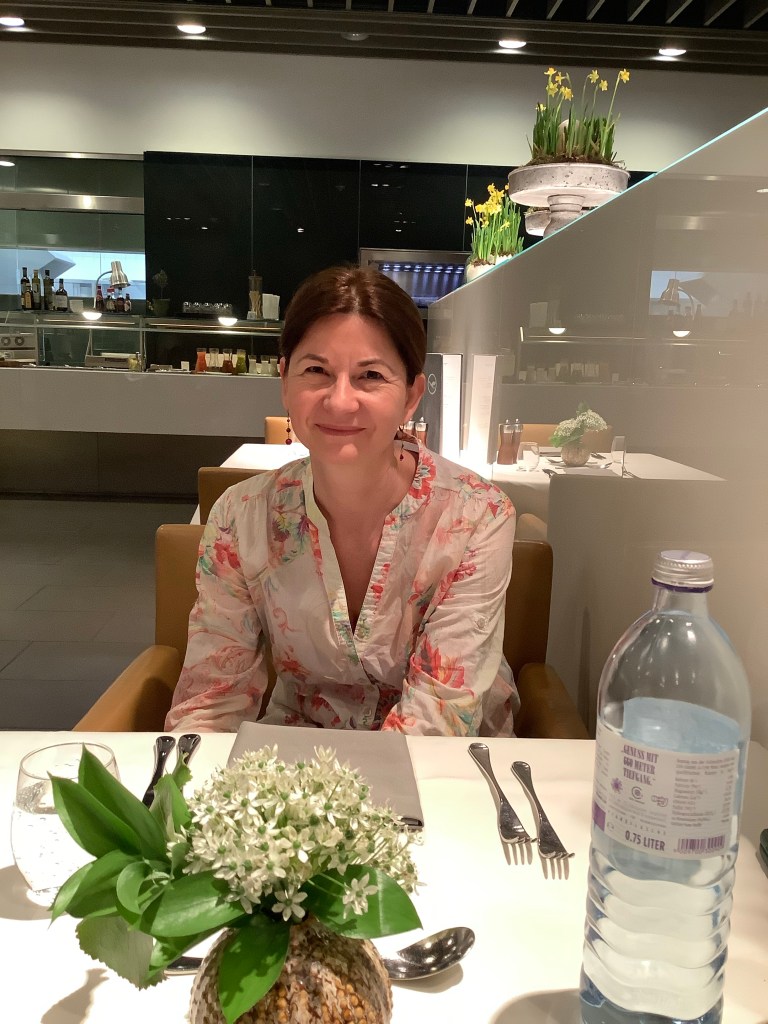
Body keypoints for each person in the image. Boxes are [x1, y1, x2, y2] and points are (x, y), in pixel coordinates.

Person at [166, 265, 518, 735]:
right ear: (284, 379)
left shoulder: (476, 515)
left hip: (445, 763)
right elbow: (213, 701)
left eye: (370, 375)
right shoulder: (240, 517)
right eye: (317, 371)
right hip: (300, 756)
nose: (340, 401)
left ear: (411, 395)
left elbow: (439, 718)